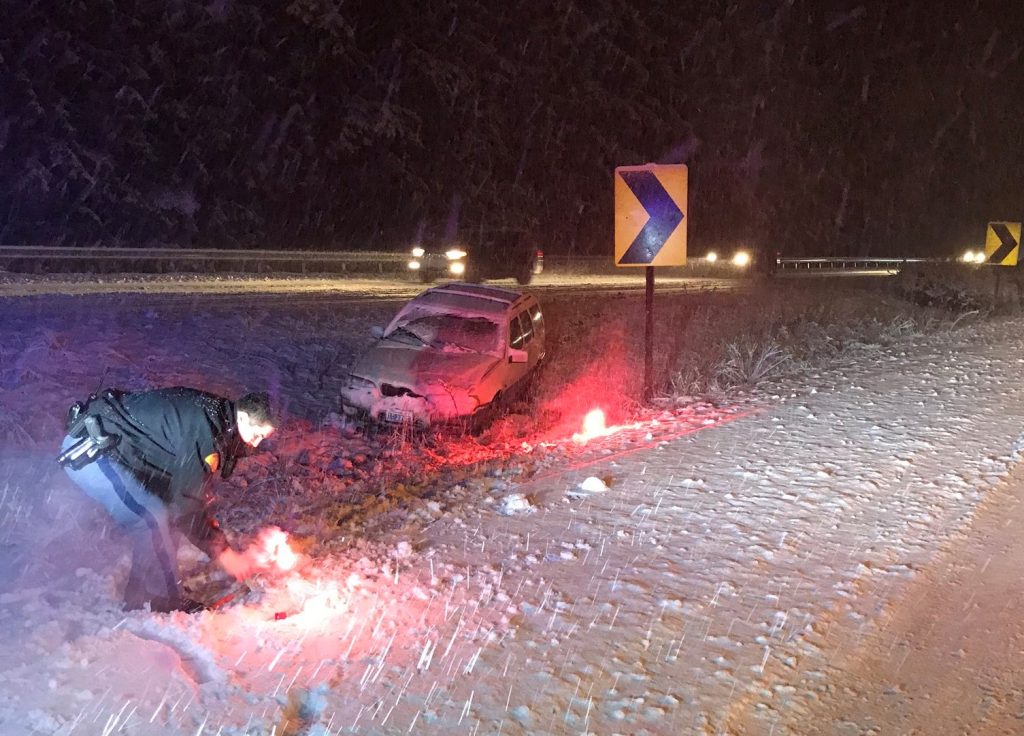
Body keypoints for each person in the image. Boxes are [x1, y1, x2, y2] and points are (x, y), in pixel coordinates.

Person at [57, 387, 277, 613]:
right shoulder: (206, 433)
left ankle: (145, 591)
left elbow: (184, 495)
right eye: (257, 434)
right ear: (242, 416)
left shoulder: (218, 418)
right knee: (152, 518)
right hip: (93, 451)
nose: (257, 443)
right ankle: (156, 600)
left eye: (263, 437)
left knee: (165, 516)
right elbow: (187, 506)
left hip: (116, 448)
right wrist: (224, 553)